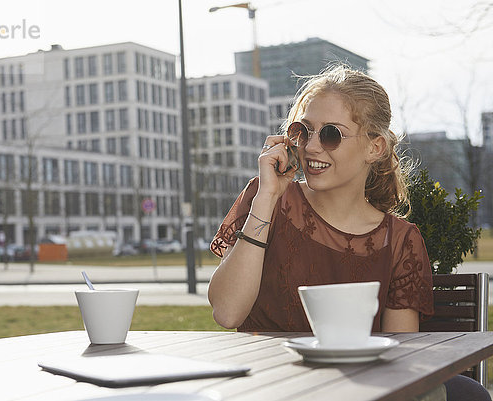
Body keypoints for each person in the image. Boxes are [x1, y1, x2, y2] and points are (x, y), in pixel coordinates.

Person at [207, 65, 490, 401]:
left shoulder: (399, 240)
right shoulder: (267, 199)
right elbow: (227, 312)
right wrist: (267, 198)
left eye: (330, 134)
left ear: (375, 147)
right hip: (266, 388)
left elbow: (400, 360)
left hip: (357, 391)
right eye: (302, 131)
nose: (311, 147)